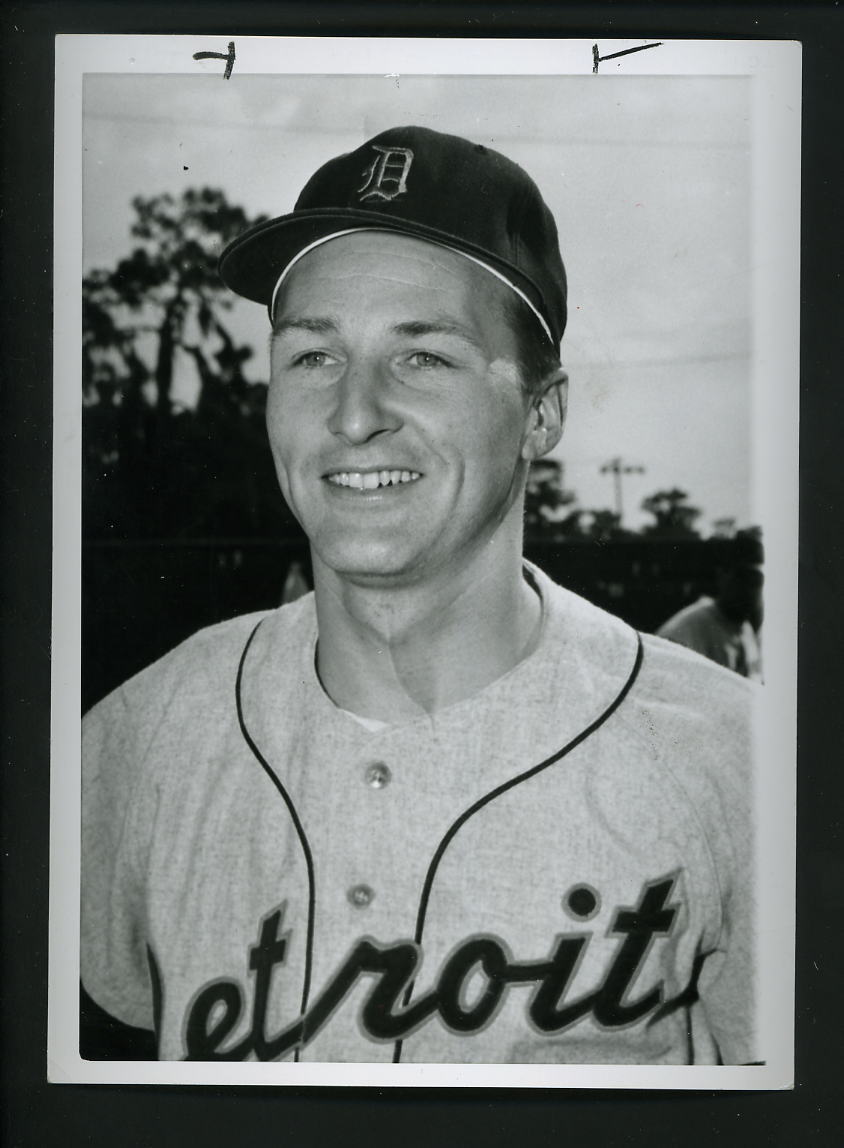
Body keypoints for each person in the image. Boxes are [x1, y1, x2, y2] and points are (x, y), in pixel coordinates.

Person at [81, 126, 758, 1066]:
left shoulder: (742, 761)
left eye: (424, 357)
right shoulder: (139, 735)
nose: (354, 415)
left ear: (542, 412)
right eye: (312, 356)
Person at [657, 533, 764, 680]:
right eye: (742, 578)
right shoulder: (685, 630)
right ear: (722, 576)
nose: (750, 589)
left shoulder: (746, 630)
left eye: (757, 581)